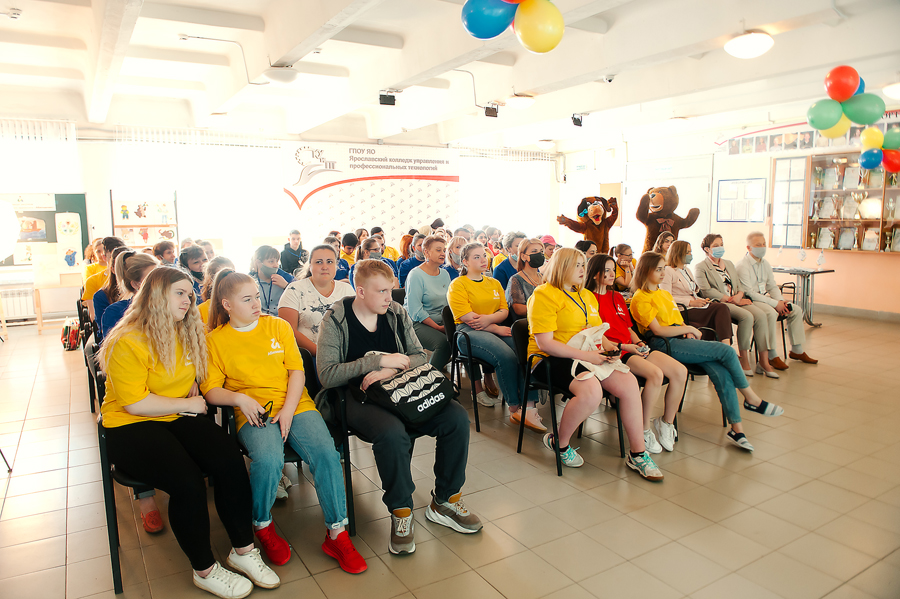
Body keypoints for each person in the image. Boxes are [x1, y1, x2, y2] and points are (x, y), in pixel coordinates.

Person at [98, 267, 279, 597]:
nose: (188, 300)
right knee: (187, 482)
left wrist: (194, 384)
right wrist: (188, 404)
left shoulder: (185, 330)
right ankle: (204, 570)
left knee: (229, 459)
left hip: (175, 415)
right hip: (129, 425)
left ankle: (242, 550)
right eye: (179, 293)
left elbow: (194, 373)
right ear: (156, 296)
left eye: (190, 294)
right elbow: (135, 404)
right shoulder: (128, 340)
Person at [202, 270, 366, 574]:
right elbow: (211, 390)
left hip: (295, 403)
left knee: (327, 455)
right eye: (247, 299)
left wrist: (289, 410)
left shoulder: (277, 326)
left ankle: (337, 534)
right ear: (226, 304)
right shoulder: (214, 340)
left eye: (257, 296)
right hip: (254, 410)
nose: (257, 303)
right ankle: (262, 525)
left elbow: (297, 371)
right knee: (268, 460)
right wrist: (240, 399)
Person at [317, 260, 483, 555]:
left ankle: (445, 500)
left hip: (398, 387)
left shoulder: (395, 311)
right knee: (393, 433)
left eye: (390, 290)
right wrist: (377, 361)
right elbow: (327, 375)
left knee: (456, 417)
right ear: (360, 291)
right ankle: (401, 511)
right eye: (381, 291)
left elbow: (419, 355)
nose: (388, 297)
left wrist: (390, 370)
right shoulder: (336, 319)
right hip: (356, 394)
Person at [527, 249, 663, 478]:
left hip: (585, 354)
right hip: (549, 359)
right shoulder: (543, 295)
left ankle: (638, 454)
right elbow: (546, 344)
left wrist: (612, 348)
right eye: (578, 265)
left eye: (584, 265)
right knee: (591, 391)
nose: (583, 270)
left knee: (629, 383)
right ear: (562, 267)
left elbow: (596, 332)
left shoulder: (586, 295)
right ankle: (559, 442)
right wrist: (588, 356)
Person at [630, 252, 785, 452]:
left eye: (663, 268)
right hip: (663, 344)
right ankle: (751, 398)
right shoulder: (640, 297)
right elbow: (658, 330)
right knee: (726, 351)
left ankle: (737, 430)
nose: (663, 273)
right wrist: (688, 329)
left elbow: (677, 321)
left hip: (680, 340)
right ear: (645, 271)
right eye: (658, 269)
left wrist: (686, 330)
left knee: (720, 369)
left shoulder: (665, 294)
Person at [585, 254, 687, 453]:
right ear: (595, 274)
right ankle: (644, 429)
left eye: (613, 270)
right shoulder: (589, 298)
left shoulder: (616, 296)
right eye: (607, 270)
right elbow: (595, 335)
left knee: (680, 371)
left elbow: (628, 328)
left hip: (632, 347)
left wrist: (639, 342)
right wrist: (626, 347)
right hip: (616, 351)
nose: (612, 274)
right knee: (656, 374)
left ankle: (666, 423)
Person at [98, 250, 164, 532]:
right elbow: (116, 361)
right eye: (153, 278)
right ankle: (146, 498)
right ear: (137, 284)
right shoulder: (116, 312)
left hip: (167, 388)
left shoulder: (172, 308)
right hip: (135, 391)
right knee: (140, 426)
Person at [448, 243, 544, 430]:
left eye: (484, 255)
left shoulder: (494, 283)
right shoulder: (458, 284)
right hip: (468, 332)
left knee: (526, 351)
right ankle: (514, 408)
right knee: (506, 356)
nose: (483, 260)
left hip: (493, 327)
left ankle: (529, 407)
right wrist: (494, 328)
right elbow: (468, 317)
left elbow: (504, 311)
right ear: (465, 262)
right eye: (476, 257)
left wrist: (491, 322)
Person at [737, 232, 818, 368]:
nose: (762, 247)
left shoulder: (765, 264)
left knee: (796, 310)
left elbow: (772, 286)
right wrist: (775, 304)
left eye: (764, 244)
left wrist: (781, 302)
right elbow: (749, 293)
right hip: (751, 300)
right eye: (758, 245)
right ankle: (771, 354)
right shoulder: (742, 265)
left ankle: (797, 350)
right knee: (770, 313)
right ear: (749, 248)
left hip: (765, 298)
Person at [695, 234, 772, 376]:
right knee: (747, 317)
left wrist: (739, 295)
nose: (720, 248)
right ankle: (744, 359)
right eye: (716, 245)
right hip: (721, 303)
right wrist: (730, 299)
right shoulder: (701, 267)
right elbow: (706, 291)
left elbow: (739, 284)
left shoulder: (729, 264)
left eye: (721, 244)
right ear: (707, 249)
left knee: (761, 315)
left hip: (737, 299)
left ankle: (763, 360)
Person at [279, 245, 355, 356]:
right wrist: (322, 354)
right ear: (310, 266)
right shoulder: (294, 290)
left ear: (336, 265)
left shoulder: (348, 290)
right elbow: (288, 330)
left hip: (345, 355)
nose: (325, 267)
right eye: (319, 262)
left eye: (329, 262)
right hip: (308, 358)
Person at [661, 240, 735, 345]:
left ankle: (723, 345)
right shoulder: (668, 271)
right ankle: (725, 346)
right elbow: (666, 297)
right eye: (687, 252)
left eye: (690, 252)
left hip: (694, 306)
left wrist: (701, 300)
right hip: (683, 309)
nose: (690, 255)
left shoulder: (686, 270)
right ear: (678, 253)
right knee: (721, 308)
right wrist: (691, 302)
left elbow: (692, 292)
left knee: (721, 308)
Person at [404, 235, 453, 371]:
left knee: (464, 338)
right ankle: (430, 377)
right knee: (443, 344)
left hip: (442, 320)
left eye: (444, 250)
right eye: (438, 250)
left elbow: (450, 302)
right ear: (426, 252)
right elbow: (415, 310)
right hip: (417, 322)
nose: (443, 253)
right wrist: (437, 328)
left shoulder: (445, 274)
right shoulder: (416, 275)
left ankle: (477, 383)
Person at [83, 237, 126, 321]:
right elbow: (94, 316)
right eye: (114, 258)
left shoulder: (135, 278)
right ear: (104, 257)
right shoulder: (93, 281)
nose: (118, 262)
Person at [93, 246, 131, 338]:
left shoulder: (143, 292)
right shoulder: (102, 296)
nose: (128, 272)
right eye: (123, 268)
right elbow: (106, 333)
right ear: (113, 269)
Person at [249, 245, 294, 317]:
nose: (276, 265)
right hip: (259, 320)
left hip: (282, 320)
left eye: (277, 261)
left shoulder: (286, 278)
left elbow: (301, 296)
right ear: (258, 263)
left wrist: (286, 286)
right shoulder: (249, 282)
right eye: (271, 261)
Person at [506, 238, 544, 319]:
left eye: (541, 251)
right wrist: (544, 309)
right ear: (523, 256)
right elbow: (519, 309)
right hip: (527, 321)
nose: (539, 254)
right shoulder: (516, 279)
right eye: (534, 251)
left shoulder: (544, 277)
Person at [198, 256, 235, 326]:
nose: (230, 280)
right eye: (223, 275)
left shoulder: (241, 304)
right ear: (210, 280)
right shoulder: (201, 310)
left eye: (233, 274)